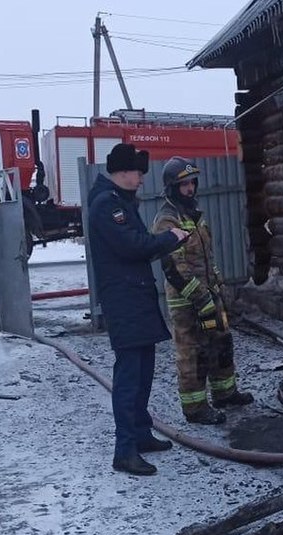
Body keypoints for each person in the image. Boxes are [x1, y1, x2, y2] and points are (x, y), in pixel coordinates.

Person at [87, 143, 189, 476]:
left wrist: (165, 242)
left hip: (137, 298)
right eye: (138, 173)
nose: (142, 179)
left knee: (144, 372)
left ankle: (142, 435)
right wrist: (168, 239)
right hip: (125, 301)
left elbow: (139, 248)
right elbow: (132, 246)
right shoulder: (107, 205)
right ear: (123, 172)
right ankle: (125, 451)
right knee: (129, 377)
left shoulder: (121, 202)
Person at [151, 156, 253, 425]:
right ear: (172, 187)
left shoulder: (194, 216)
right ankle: (195, 408)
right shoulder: (167, 219)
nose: (191, 189)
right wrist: (200, 298)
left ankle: (225, 393)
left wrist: (218, 288)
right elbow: (174, 267)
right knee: (192, 352)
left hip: (209, 295)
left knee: (221, 342)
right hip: (187, 302)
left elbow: (208, 258)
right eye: (184, 184)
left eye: (192, 183)